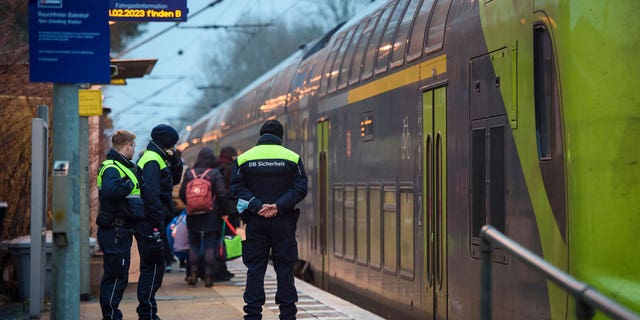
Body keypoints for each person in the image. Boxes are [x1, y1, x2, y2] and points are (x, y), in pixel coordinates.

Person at [230, 119, 308, 320]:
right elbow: (300, 188)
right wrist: (278, 206)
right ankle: (287, 314)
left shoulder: (243, 159)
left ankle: (253, 314)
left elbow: (235, 189)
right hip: (283, 222)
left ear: (261, 135)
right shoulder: (292, 157)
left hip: (256, 222)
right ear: (280, 137)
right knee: (284, 268)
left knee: (255, 269)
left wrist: (257, 205)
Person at [135, 124, 183, 320]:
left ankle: (149, 312)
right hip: (151, 223)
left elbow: (174, 180)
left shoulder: (158, 158)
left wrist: (175, 159)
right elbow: (151, 194)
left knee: (155, 268)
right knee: (153, 268)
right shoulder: (152, 161)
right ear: (166, 143)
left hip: (153, 221)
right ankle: (146, 313)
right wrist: (157, 223)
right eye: (172, 144)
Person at [96, 130, 143, 320]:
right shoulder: (112, 168)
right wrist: (129, 185)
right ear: (128, 146)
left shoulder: (119, 166)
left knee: (117, 275)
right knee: (115, 276)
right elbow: (111, 192)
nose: (134, 150)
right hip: (115, 231)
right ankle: (111, 316)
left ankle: (112, 314)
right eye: (133, 146)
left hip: (119, 230)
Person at [179, 147, 232, 287]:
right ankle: (209, 276)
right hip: (211, 215)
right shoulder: (214, 174)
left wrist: (190, 204)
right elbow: (222, 194)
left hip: (193, 216)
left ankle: (193, 273)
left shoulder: (190, 174)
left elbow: (182, 194)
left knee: (194, 245)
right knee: (210, 245)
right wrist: (224, 211)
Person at [215, 146, 239, 281]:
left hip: (217, 210)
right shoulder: (232, 168)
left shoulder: (215, 167)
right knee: (225, 240)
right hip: (230, 210)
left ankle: (221, 269)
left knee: (220, 239)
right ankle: (220, 270)